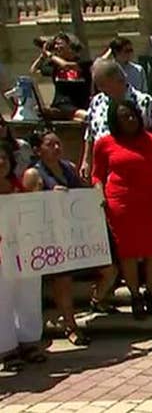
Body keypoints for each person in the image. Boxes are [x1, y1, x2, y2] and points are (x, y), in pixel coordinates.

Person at [92, 99, 152, 319]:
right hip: (120, 205)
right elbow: (97, 175)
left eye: (131, 115)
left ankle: (151, 293)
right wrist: (99, 195)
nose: (129, 120)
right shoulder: (104, 144)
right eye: (123, 117)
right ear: (114, 121)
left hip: (150, 203)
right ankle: (135, 295)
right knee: (128, 253)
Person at [21, 128, 91, 346]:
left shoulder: (69, 167)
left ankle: (97, 300)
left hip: (76, 234)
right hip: (51, 238)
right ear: (37, 150)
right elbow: (26, 208)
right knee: (63, 281)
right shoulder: (33, 174)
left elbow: (83, 193)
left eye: (58, 143)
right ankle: (70, 325)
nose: (57, 148)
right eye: (50, 144)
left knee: (110, 269)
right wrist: (48, 197)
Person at [0, 142, 46, 371]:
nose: (1, 163)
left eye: (4, 158)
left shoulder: (20, 186)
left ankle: (28, 341)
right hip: (1, 254)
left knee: (28, 294)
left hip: (23, 251)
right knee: (2, 299)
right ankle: (5, 348)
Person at [80, 59, 152, 181]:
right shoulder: (97, 102)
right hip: (104, 170)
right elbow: (90, 133)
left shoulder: (144, 102)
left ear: (119, 80)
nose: (99, 88)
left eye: (102, 84)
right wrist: (86, 160)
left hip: (136, 168)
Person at [30, 32, 92, 121]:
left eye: (59, 44)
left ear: (70, 45)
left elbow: (66, 66)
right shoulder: (54, 66)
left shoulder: (84, 64)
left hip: (80, 106)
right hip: (60, 106)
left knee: (81, 116)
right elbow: (34, 71)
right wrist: (43, 56)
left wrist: (50, 55)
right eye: (55, 45)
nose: (56, 47)